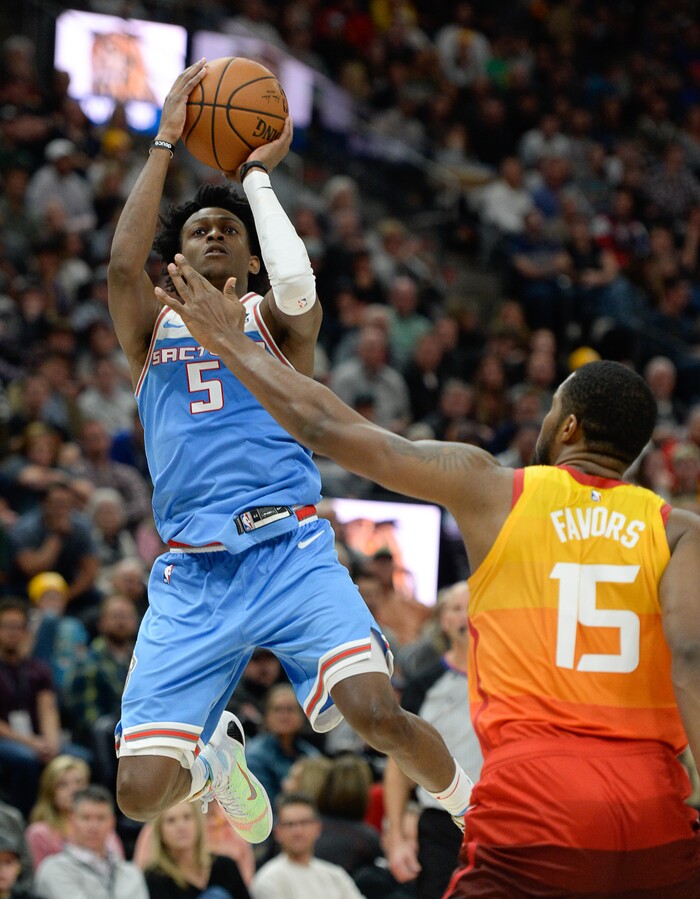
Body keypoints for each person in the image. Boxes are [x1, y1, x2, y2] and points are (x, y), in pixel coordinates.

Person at [162, 261, 700, 898]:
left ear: (569, 427)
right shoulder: (678, 529)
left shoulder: (493, 489)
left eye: (553, 410)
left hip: (536, 795)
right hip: (653, 805)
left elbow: (326, 427)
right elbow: (690, 656)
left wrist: (227, 340)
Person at [107, 59, 472, 846]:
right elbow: (116, 266)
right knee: (138, 794)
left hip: (290, 547)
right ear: (179, 253)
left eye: (227, 229)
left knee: (377, 712)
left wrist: (258, 183)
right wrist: (165, 143)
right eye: (199, 227)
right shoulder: (150, 328)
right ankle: (214, 766)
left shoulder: (273, 319)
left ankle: (473, 807)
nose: (211, 232)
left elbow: (301, 288)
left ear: (248, 259)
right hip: (192, 571)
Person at [384, 582, 483, 899]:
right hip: (441, 826)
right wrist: (397, 838)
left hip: (503, 820)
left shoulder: (516, 683)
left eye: (473, 606)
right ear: (442, 620)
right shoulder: (424, 686)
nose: (466, 616)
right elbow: (398, 764)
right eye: (456, 608)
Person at [33, 785, 147, 899]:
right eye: (86, 818)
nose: (93, 827)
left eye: (101, 818)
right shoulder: (54, 869)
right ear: (72, 820)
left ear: (112, 822)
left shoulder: (131, 874)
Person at [250, 793, 366, 899]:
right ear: (278, 832)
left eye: (304, 823)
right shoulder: (269, 879)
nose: (298, 831)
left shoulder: (335, 875)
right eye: (290, 824)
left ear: (318, 828)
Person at [25, 755, 123, 869]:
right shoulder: (39, 834)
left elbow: (119, 868)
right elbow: (43, 879)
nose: (73, 790)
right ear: (50, 791)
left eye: (79, 783)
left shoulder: (102, 827)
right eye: (63, 785)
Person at [140, 801, 250, 899]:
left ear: (199, 822)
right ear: (160, 832)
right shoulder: (154, 878)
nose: (181, 826)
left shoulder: (226, 866)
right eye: (171, 820)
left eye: (187, 817)